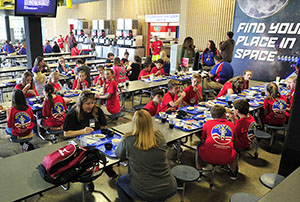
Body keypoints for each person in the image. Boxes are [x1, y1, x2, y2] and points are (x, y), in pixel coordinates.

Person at [115, 110, 177, 202]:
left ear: (134, 123)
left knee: (120, 181)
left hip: (144, 191)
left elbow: (119, 154)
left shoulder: (128, 140)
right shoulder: (159, 136)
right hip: (169, 186)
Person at [63, 90, 119, 181]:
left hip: (97, 140)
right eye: (88, 103)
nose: (91, 106)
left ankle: (111, 174)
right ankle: (88, 180)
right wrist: (83, 131)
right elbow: (66, 133)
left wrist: (100, 134)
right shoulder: (73, 113)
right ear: (81, 104)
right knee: (87, 159)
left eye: (92, 103)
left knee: (106, 153)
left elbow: (102, 125)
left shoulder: (97, 110)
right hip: (80, 142)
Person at [195, 104, 238, 179]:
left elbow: (203, 139)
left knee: (199, 145)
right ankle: (233, 173)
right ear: (224, 114)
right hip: (227, 158)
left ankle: (199, 171)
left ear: (211, 115)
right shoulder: (231, 125)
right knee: (234, 150)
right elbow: (234, 140)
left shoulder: (207, 123)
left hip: (208, 157)